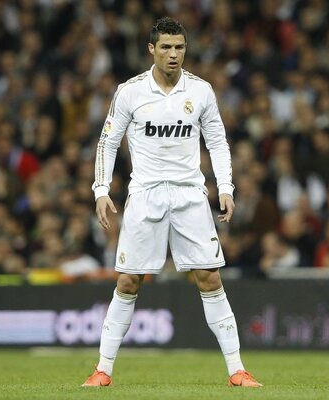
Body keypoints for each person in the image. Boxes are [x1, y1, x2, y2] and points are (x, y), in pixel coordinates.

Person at [82, 17, 262, 388]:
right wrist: (101, 190)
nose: (173, 54)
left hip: (189, 195)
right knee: (129, 280)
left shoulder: (202, 91)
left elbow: (217, 141)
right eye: (166, 47)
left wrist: (225, 186)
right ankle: (102, 370)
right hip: (145, 196)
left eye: (179, 47)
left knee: (210, 278)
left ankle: (237, 370)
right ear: (151, 49)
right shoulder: (130, 91)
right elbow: (108, 142)